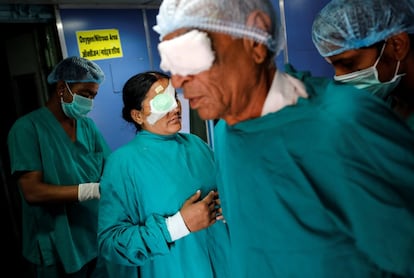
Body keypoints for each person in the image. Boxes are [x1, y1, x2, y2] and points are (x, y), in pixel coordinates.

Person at [153, 0, 414, 277]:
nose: (178, 81)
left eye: (191, 57)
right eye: (172, 63)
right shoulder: (227, 133)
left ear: (254, 42)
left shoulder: (344, 124)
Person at [97, 71, 228, 278]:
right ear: (137, 115)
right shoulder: (123, 164)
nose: (176, 107)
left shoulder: (197, 146)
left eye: (175, 97)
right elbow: (111, 244)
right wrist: (177, 225)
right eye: (162, 102)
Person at [7, 56, 111, 278]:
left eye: (93, 96)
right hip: (57, 241)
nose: (89, 101)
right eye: (84, 94)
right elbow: (32, 192)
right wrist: (92, 190)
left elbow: (110, 168)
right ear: (62, 87)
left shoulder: (87, 126)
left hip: (93, 236)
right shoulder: (27, 129)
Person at [311, 0, 414, 129]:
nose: (340, 77)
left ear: (397, 45)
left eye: (348, 63)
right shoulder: (382, 106)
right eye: (334, 66)